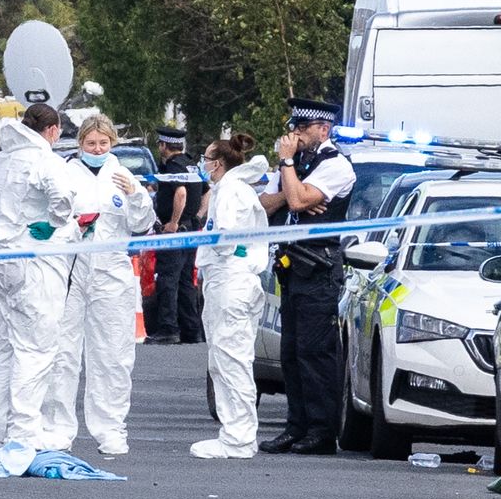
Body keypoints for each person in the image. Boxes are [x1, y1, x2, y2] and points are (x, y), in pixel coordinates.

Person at [41, 114, 155, 455]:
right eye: (91, 144)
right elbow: (50, 216)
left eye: (103, 143)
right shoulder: (66, 173)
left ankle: (111, 427)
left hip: (111, 269)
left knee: (113, 354)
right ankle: (58, 427)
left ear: (112, 144)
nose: (97, 148)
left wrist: (136, 195)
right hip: (71, 269)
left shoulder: (122, 176)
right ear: (80, 145)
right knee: (63, 351)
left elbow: (142, 224)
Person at [0, 103, 75, 449]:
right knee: (35, 349)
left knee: (3, 350)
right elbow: (63, 199)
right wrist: (52, 222)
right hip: (32, 262)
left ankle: (3, 432)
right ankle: (24, 433)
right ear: (52, 130)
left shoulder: (2, 160)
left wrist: (5, 219)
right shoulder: (46, 160)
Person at [258, 98, 356, 456]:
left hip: (319, 267)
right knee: (292, 353)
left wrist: (290, 180)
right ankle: (296, 426)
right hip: (291, 266)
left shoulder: (336, 165)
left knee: (315, 353)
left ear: (323, 130)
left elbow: (298, 203)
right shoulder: (299, 164)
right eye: (293, 129)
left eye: (302, 130)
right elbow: (266, 206)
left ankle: (321, 430)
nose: (294, 136)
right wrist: (292, 187)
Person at [189, 135, 269, 458]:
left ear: (217, 164)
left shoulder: (231, 191)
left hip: (231, 281)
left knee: (231, 358)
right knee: (225, 359)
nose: (203, 164)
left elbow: (225, 238)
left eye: (206, 159)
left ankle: (238, 438)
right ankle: (236, 433)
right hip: (228, 280)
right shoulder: (230, 189)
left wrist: (211, 238)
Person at [146, 126, 207, 344]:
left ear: (163, 145)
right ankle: (192, 331)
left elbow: (180, 192)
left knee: (167, 279)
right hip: (190, 229)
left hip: (176, 231)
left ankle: (168, 328)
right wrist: (197, 217)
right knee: (185, 281)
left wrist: (173, 222)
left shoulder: (172, 167)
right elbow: (207, 191)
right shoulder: (191, 165)